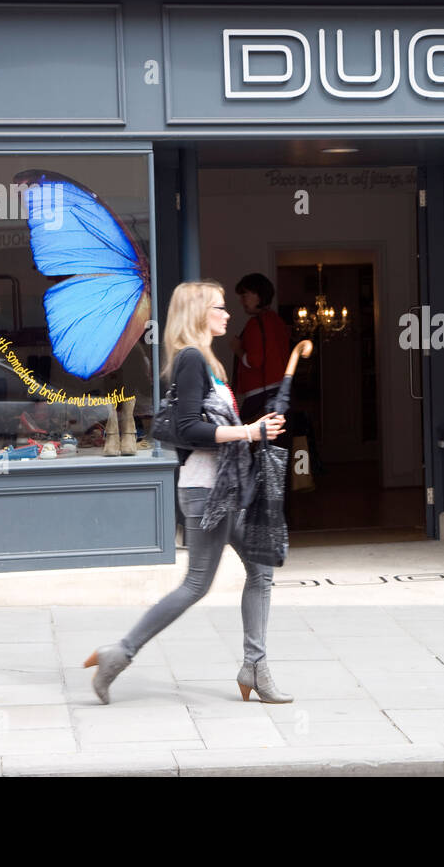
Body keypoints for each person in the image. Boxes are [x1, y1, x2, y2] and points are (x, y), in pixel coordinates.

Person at [83, 280, 290, 704]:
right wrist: (249, 431)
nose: (227, 313)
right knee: (196, 584)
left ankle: (255, 665)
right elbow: (189, 430)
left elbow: (206, 424)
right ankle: (117, 654)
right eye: (218, 307)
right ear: (198, 314)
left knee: (261, 571)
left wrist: (254, 430)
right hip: (207, 491)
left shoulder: (209, 362)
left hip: (225, 487)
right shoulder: (192, 359)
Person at [229, 273, 291, 422]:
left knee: (245, 440)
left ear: (258, 295)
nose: (241, 300)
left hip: (260, 396)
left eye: (245, 294)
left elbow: (254, 361)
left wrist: (237, 349)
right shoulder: (277, 321)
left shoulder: (255, 324)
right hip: (280, 393)